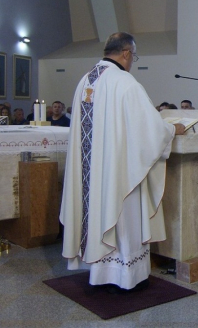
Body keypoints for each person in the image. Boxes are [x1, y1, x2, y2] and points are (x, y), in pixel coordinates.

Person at [60, 32, 185, 293]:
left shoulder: (85, 82)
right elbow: (149, 129)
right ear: (126, 53)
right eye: (134, 56)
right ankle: (127, 276)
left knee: (96, 212)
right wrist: (173, 130)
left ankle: (100, 271)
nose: (132, 62)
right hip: (118, 172)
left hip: (92, 174)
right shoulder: (125, 83)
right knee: (123, 220)